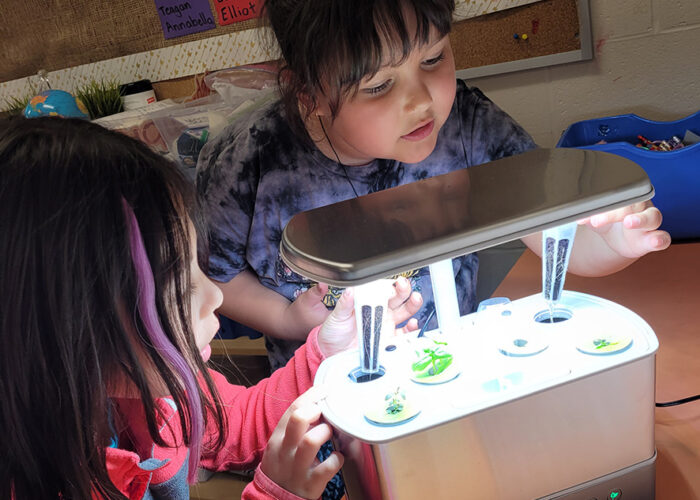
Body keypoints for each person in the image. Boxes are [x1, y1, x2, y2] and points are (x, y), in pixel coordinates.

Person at [196, 0, 670, 373]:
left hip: (453, 377)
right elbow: (217, 278)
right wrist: (288, 320)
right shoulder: (249, 162)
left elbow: (556, 235)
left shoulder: (469, 124)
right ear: (310, 94)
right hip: (324, 405)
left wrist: (612, 243)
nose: (421, 101)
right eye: (379, 86)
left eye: (434, 58)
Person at [0, 116, 420, 500]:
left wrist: (326, 354)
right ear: (75, 331)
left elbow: (239, 423)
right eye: (182, 289)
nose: (215, 298)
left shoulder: (165, 394)